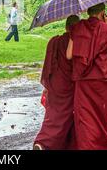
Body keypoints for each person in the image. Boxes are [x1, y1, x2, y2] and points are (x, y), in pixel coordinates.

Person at [66, 3, 107, 150]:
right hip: (104, 80)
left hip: (83, 82)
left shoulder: (77, 27)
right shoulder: (106, 28)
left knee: (87, 118)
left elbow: (69, 55)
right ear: (102, 12)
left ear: (88, 12)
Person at [33, 15, 80, 150]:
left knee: (53, 116)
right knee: (68, 117)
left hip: (55, 85)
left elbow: (49, 66)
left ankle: (42, 143)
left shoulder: (54, 41)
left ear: (66, 26)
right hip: (69, 86)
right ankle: (50, 143)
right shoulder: (76, 42)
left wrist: (47, 86)